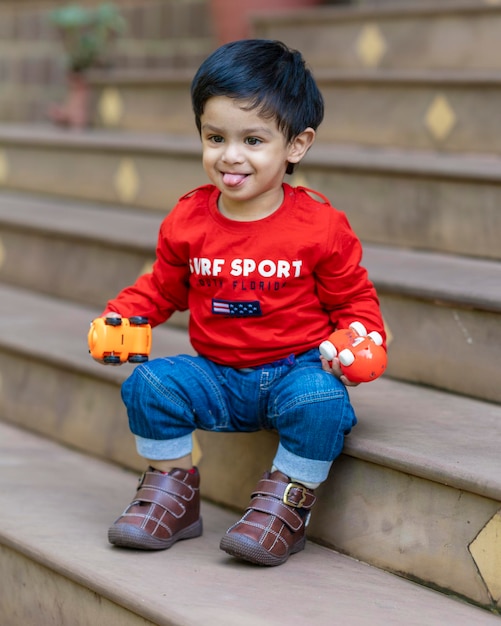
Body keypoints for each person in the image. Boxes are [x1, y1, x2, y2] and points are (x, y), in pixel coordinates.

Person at [96, 39, 386, 567]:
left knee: (323, 403)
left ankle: (287, 504)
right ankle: (172, 493)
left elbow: (354, 300)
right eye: (215, 137)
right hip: (217, 375)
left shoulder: (320, 226)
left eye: (253, 140)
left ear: (296, 145)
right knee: (150, 386)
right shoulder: (188, 219)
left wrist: (361, 340)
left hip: (295, 373)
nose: (230, 155)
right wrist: (124, 316)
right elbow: (162, 288)